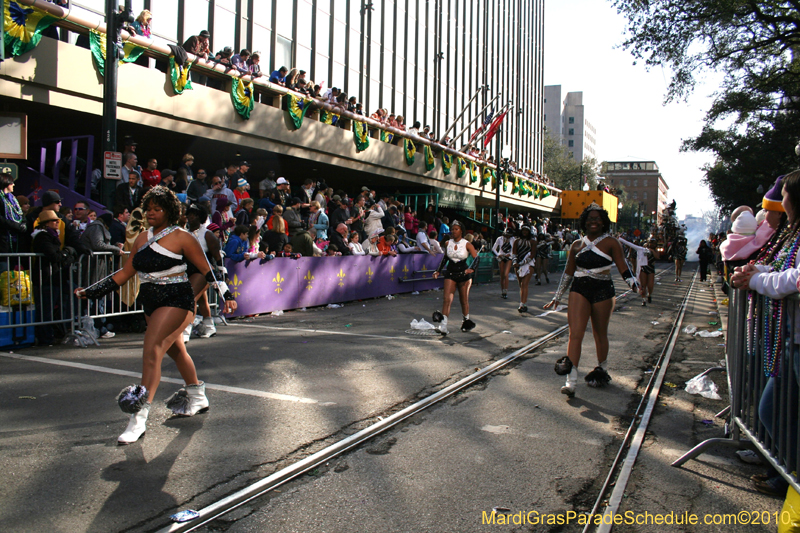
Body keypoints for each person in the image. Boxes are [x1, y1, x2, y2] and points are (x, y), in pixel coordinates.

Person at [76, 187, 235, 444]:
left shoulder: (182, 237)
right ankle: (197, 395)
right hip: (150, 301)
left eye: (157, 209)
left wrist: (228, 296)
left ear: (169, 212)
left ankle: (138, 416)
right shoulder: (141, 238)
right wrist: (91, 291)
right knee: (176, 350)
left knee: (152, 349)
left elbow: (209, 270)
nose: (150, 212)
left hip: (177, 300)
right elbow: (123, 274)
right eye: (148, 207)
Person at [730, 169, 800, 498]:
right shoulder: (793, 235)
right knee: (772, 409)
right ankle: (788, 476)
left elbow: (796, 280)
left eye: (784, 194)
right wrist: (757, 271)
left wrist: (756, 280)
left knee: (773, 409)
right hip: (789, 340)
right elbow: (788, 272)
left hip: (795, 342)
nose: (779, 200)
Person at [544, 203, 642, 398]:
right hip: (579, 289)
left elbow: (623, 266)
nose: (593, 222)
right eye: (590, 219)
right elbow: (568, 273)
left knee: (599, 333)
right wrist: (557, 297)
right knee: (575, 334)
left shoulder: (611, 243)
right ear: (584, 222)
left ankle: (601, 368)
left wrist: (633, 283)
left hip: (603, 290)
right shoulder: (576, 245)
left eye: (597, 218)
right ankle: (571, 381)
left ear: (603, 222)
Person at [431, 220, 480, 334]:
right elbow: (445, 258)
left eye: (456, 229)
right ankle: (443, 326)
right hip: (451, 273)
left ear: (461, 231)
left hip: (464, 274)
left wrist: (472, 269)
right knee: (447, 299)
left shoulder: (467, 244)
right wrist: (438, 271)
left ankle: (466, 321)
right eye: (452, 229)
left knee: (463, 300)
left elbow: (476, 258)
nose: (453, 231)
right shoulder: (448, 243)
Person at [0, 172, 26, 254]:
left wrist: (23, 224)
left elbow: (20, 213)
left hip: (16, 240)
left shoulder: (13, 199)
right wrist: (16, 226)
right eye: (12, 183)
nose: (13, 184)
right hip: (3, 239)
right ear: (6, 183)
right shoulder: (1, 199)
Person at [512, 226, 536, 313]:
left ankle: (522, 304)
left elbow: (532, 254)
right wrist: (515, 262)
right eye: (523, 230)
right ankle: (523, 302)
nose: (525, 232)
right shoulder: (516, 241)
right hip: (518, 264)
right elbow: (514, 253)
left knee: (524, 284)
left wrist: (522, 263)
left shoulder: (532, 242)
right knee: (521, 285)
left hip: (529, 264)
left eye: (526, 230)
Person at [492, 229, 514, 299]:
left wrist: (510, 254)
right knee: (501, 275)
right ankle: (503, 291)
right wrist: (498, 254)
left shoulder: (513, 239)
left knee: (505, 274)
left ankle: (506, 290)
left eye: (509, 236)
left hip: (509, 257)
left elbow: (514, 249)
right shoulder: (500, 239)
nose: (507, 237)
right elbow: (493, 248)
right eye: (506, 235)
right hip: (501, 257)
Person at [640, 239, 659, 305]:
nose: (652, 244)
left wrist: (652, 251)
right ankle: (643, 299)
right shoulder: (644, 248)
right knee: (643, 285)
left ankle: (649, 294)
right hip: (643, 268)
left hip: (651, 269)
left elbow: (657, 257)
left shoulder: (655, 250)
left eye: (653, 243)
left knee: (650, 285)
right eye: (651, 243)